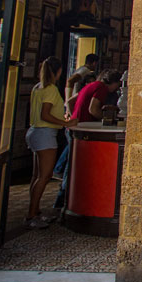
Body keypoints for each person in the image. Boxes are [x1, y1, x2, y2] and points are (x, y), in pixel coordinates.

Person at [52, 69, 122, 209]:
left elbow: (70, 102)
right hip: (83, 130)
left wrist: (74, 119)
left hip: (74, 128)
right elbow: (93, 110)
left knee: (72, 161)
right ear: (114, 82)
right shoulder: (101, 88)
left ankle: (64, 199)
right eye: (117, 85)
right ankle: (62, 200)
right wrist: (106, 121)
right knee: (72, 165)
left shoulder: (91, 85)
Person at [25, 56, 77, 229]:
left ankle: (35, 211)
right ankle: (32, 214)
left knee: (36, 176)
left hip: (34, 132)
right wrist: (66, 123)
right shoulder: (51, 90)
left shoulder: (37, 88)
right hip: (45, 133)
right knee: (45, 176)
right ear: (59, 71)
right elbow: (45, 114)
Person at [52, 53, 99, 180]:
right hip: (73, 106)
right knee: (72, 142)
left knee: (71, 142)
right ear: (94, 63)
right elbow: (70, 80)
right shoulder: (85, 71)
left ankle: (59, 169)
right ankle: (59, 169)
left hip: (73, 105)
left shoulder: (81, 69)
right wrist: (67, 102)